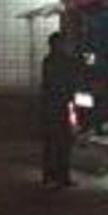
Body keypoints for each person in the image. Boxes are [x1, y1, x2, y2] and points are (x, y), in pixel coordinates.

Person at [40, 30, 77, 187]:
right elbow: (64, 83)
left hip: (53, 106)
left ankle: (53, 176)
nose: (66, 46)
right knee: (60, 143)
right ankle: (58, 176)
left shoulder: (49, 60)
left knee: (55, 143)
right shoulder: (59, 61)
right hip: (58, 106)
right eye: (63, 43)